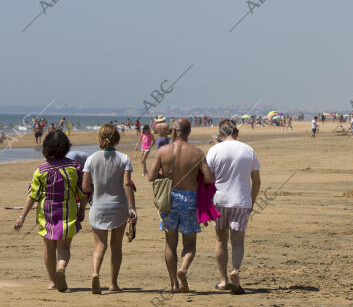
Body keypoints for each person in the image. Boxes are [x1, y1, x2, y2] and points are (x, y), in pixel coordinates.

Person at [14, 130, 88, 292]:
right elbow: (82, 192)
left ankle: (52, 281)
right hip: (68, 212)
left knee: (48, 248)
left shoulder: (40, 170)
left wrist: (22, 216)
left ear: (47, 149)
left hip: (46, 213)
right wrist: (82, 209)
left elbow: (32, 195)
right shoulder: (74, 167)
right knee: (64, 248)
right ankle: (61, 267)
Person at [148, 118, 214, 293]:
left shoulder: (163, 151)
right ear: (188, 132)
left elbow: (151, 176)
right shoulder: (197, 153)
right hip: (190, 199)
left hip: (168, 199)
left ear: (174, 132)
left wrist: (165, 172)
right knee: (190, 244)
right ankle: (183, 269)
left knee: (170, 243)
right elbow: (208, 178)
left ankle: (173, 285)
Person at [207, 120, 261, 295]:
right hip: (241, 200)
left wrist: (205, 204)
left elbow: (207, 179)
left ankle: (223, 280)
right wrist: (251, 201)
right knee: (238, 241)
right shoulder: (248, 150)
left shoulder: (214, 150)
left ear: (220, 134)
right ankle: (235, 270)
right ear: (236, 133)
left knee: (221, 240)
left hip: (219, 200)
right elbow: (257, 181)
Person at [82, 125, 136, 294]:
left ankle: (95, 273)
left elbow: (85, 187)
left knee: (100, 245)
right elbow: (127, 184)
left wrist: (86, 201)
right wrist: (132, 207)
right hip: (119, 206)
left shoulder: (91, 159)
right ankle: (113, 284)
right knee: (116, 246)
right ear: (117, 139)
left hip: (98, 207)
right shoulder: (124, 158)